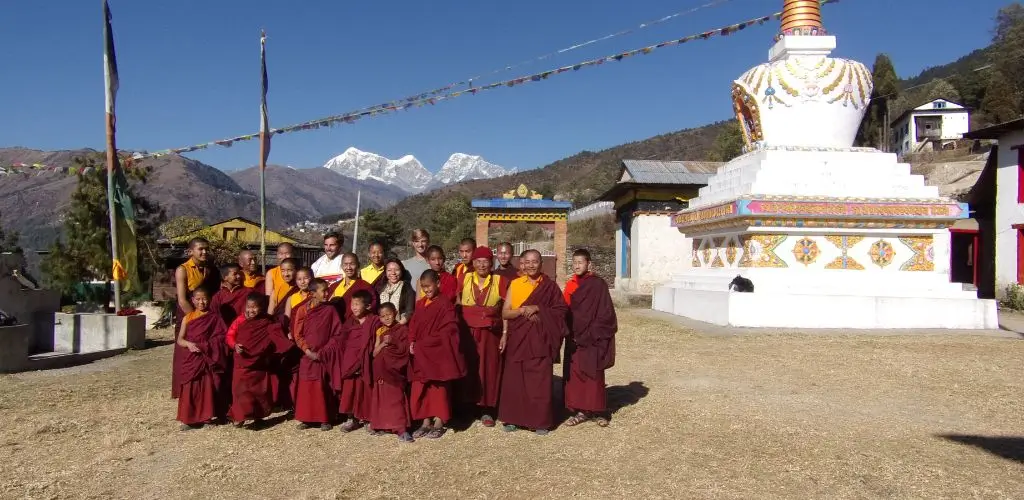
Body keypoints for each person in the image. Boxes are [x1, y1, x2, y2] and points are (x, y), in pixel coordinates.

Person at [498, 250, 568, 435]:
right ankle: (513, 418)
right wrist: (522, 311)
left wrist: (538, 308)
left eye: (535, 262)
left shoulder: (550, 287)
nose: (531, 265)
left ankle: (539, 421)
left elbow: (561, 311)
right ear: (522, 264)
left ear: (541, 263)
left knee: (539, 381)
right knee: (515, 380)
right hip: (518, 339)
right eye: (527, 262)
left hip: (540, 340)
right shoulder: (515, 284)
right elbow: (505, 313)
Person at [562, 249, 617, 428]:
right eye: (574, 262)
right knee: (576, 375)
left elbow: (606, 313)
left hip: (592, 338)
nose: (577, 265)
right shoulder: (570, 285)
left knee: (594, 374)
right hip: (574, 338)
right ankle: (581, 411)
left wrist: (590, 333)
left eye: (581, 262)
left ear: (589, 264)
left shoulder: (598, 284)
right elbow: (564, 309)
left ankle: (598, 410)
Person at [408, 270, 466, 439]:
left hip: (437, 352)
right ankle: (425, 422)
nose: (426, 290)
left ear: (438, 284)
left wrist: (426, 343)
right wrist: (412, 340)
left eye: (429, 286)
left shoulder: (445, 305)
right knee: (422, 386)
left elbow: (449, 330)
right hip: (421, 351)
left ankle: (439, 422)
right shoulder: (420, 304)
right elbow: (414, 325)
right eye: (424, 287)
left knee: (439, 388)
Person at [226, 293, 295, 428]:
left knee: (260, 391)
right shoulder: (239, 320)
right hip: (242, 362)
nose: (250, 310)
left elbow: (275, 337)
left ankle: (258, 416)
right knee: (240, 390)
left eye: (254, 308)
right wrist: (234, 345)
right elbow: (229, 335)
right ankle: (240, 417)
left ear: (262, 308)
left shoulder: (267, 322)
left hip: (260, 363)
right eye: (248, 307)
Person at [458, 246, 509, 427]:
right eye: (478, 261)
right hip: (468, 333)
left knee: (488, 369)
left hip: (490, 334)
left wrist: (504, 334)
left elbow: (506, 309)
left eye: (485, 261)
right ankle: (468, 408)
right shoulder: (464, 278)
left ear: (491, 263)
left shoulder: (499, 280)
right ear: (473, 263)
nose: (481, 265)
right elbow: (456, 302)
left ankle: (487, 409)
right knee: (468, 369)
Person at [172, 287, 230, 430]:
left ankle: (206, 418)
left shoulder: (215, 317)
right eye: (198, 299)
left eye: (204, 299)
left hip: (207, 357)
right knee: (189, 387)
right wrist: (189, 345)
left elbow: (222, 337)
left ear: (209, 300)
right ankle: (188, 420)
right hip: (192, 357)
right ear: (192, 300)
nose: (201, 302)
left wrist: (207, 346)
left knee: (207, 387)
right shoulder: (188, 317)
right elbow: (180, 339)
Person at [293, 279, 345, 431]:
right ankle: (307, 418)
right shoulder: (303, 310)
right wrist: (307, 351)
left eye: (327, 290)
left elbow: (337, 333)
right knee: (307, 387)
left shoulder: (331, 310)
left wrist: (324, 351)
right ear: (312, 293)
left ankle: (325, 418)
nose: (327, 293)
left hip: (324, 355)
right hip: (308, 354)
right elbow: (298, 334)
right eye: (323, 290)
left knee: (323, 386)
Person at [172, 237, 220, 399]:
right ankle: (183, 390)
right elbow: (182, 299)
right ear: (190, 251)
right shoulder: (183, 269)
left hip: (206, 314)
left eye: (206, 249)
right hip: (189, 315)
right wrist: (195, 319)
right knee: (186, 354)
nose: (204, 252)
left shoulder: (209, 269)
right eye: (200, 249)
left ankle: (206, 392)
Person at [336, 289, 380, 432]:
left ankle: (368, 418)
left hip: (367, 362)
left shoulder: (374, 321)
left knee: (366, 391)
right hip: (350, 361)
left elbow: (374, 341)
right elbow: (343, 341)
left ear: (367, 306)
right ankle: (351, 419)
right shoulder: (350, 322)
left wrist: (366, 357)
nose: (354, 307)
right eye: (352, 304)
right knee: (350, 391)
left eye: (357, 304)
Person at [369, 303, 413, 442]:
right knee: (382, 399)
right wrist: (383, 344)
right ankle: (383, 425)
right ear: (379, 318)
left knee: (396, 399)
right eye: (383, 316)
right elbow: (374, 353)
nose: (386, 318)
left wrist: (393, 341)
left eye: (389, 314)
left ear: (395, 312)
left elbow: (405, 349)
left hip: (394, 371)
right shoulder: (380, 331)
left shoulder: (402, 329)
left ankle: (401, 429)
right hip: (381, 370)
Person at [375, 259, 415, 325]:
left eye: (397, 270)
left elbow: (409, 311)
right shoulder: (380, 288)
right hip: (382, 327)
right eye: (389, 270)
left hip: (401, 326)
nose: (393, 273)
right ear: (385, 272)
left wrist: (398, 326)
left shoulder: (407, 287)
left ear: (401, 271)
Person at [264, 243, 295, 313]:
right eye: (281, 253)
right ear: (277, 255)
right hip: (277, 310)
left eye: (287, 253)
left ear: (293, 255)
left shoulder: (298, 272)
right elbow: (269, 297)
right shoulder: (272, 273)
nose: (284, 256)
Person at [284, 267, 314, 338]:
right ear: (296, 281)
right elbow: (286, 319)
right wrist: (289, 333)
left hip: (311, 333)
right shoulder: (291, 298)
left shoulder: (315, 296)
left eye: (306, 278)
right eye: (299, 279)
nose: (302, 282)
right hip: (295, 333)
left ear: (312, 278)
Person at [401, 229, 431, 294]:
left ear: (428, 242)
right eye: (417, 241)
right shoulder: (405, 265)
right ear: (413, 243)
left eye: (423, 241)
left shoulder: (434, 264)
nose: (420, 244)